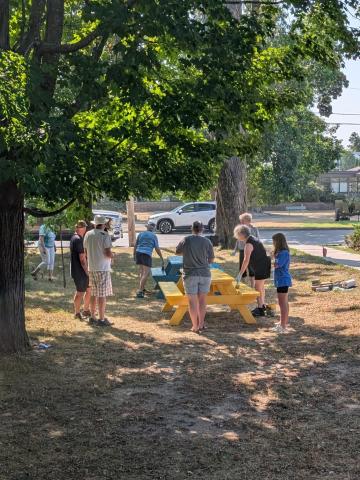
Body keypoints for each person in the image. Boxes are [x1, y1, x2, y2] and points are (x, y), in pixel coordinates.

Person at [176, 221, 214, 333]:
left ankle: (195, 326)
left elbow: (177, 252)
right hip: (205, 274)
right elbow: (211, 259)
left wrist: (187, 253)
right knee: (202, 300)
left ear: (191, 228)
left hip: (190, 274)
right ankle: (201, 324)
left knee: (192, 302)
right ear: (202, 229)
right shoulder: (207, 241)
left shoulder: (186, 240)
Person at [234, 224, 271, 317]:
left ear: (242, 234)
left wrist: (240, 274)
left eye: (237, 234)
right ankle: (262, 305)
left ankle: (260, 309)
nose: (237, 237)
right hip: (264, 264)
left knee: (257, 288)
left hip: (260, 266)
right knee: (261, 287)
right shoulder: (254, 238)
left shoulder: (248, 244)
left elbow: (246, 260)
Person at [84, 215, 114, 327]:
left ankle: (93, 317)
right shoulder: (105, 235)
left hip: (92, 267)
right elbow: (107, 253)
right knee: (102, 295)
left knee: (93, 293)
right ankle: (101, 319)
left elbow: (85, 252)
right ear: (104, 224)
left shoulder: (88, 234)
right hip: (102, 268)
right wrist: (113, 256)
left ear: (95, 224)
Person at [134, 221, 164, 298]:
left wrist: (134, 254)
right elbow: (157, 248)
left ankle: (142, 288)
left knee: (142, 272)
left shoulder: (141, 234)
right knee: (146, 273)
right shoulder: (154, 236)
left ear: (147, 227)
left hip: (138, 253)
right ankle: (140, 291)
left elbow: (136, 245)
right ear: (153, 228)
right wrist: (161, 257)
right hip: (146, 254)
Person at [231, 213, 260, 289]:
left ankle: (252, 286)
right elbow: (238, 240)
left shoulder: (254, 229)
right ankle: (243, 284)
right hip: (242, 250)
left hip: (252, 251)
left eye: (242, 221)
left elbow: (258, 239)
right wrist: (235, 250)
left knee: (251, 269)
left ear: (248, 221)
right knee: (242, 267)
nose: (241, 222)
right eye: (241, 221)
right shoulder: (241, 229)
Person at [70, 220, 91, 320]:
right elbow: (82, 259)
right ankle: (77, 313)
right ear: (80, 228)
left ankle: (86, 310)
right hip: (79, 271)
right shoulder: (78, 239)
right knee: (80, 292)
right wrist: (87, 272)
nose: (85, 229)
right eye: (84, 227)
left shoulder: (75, 237)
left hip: (79, 270)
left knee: (89, 289)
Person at [272, 233, 292, 333]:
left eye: (274, 241)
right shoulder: (282, 252)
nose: (273, 243)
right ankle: (283, 321)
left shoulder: (283, 253)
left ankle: (283, 326)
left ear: (278, 242)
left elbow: (277, 265)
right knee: (284, 302)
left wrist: (273, 259)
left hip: (283, 280)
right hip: (281, 280)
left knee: (282, 303)